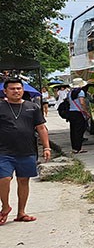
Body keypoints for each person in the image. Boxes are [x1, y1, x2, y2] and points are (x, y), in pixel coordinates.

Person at [0, 78, 51, 225]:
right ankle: (5, 206)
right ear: (5, 91)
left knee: (24, 181)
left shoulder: (32, 107)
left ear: (23, 90)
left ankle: (21, 213)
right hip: (4, 151)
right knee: (3, 179)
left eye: (18, 88)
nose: (16, 91)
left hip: (27, 150)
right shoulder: (1, 106)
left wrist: (46, 147)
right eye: (12, 89)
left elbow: (41, 128)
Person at [67, 78, 90, 154]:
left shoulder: (70, 93)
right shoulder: (81, 92)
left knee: (73, 131)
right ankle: (78, 148)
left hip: (71, 113)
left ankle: (74, 148)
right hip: (78, 113)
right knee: (79, 131)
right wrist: (86, 112)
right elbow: (82, 103)